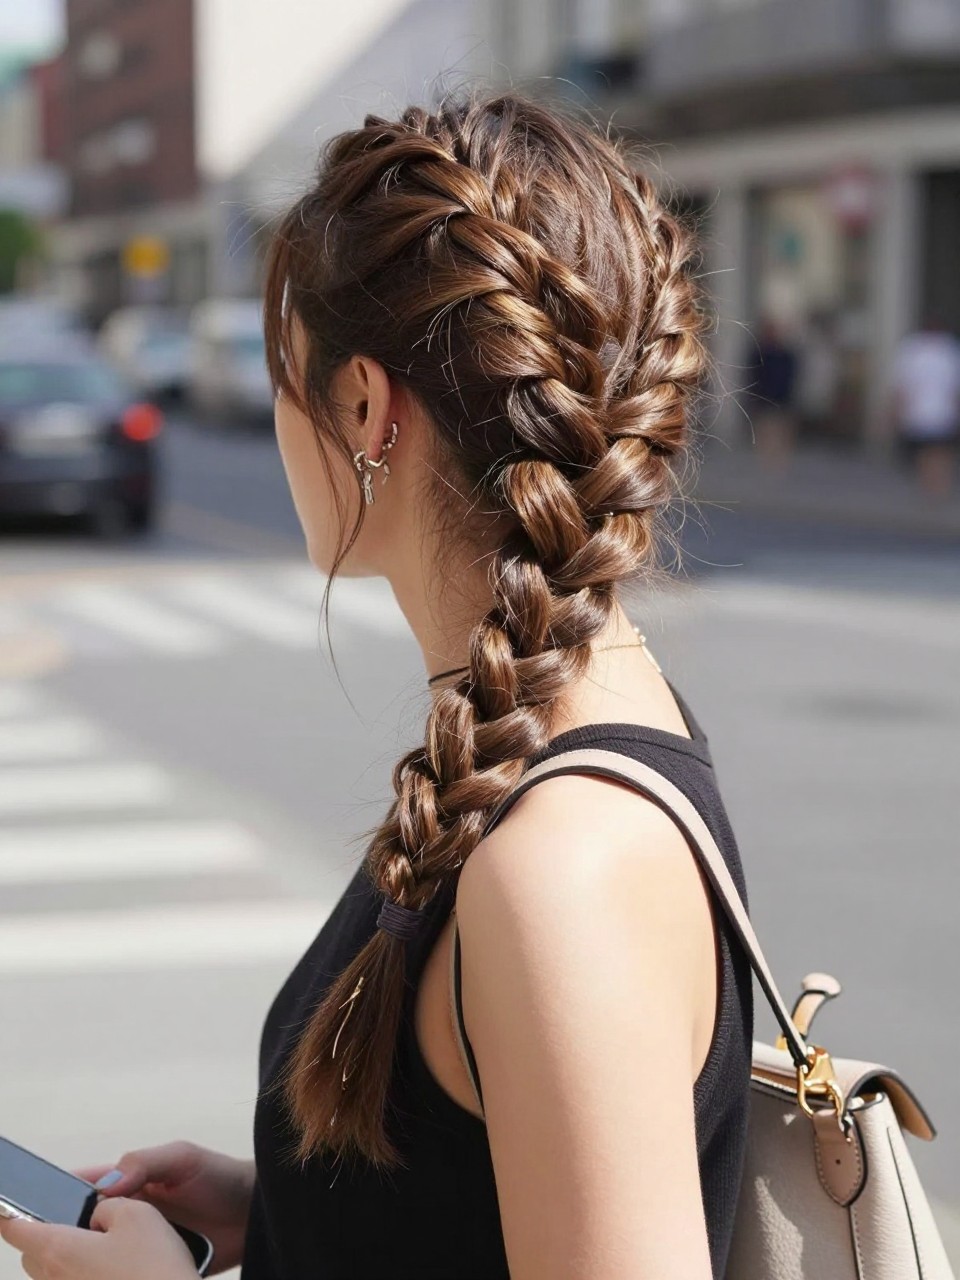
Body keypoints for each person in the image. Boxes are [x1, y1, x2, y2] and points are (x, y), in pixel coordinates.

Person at [0, 92, 753, 1280]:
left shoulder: (559, 871)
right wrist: (296, 1202)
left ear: (362, 403)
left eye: (286, 370)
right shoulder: (559, 731)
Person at [892, 315, 960, 498]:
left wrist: (897, 411)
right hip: (939, 412)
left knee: (927, 453)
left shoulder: (913, 349)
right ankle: (937, 487)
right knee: (938, 453)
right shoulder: (949, 349)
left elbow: (902, 385)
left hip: (921, 412)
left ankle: (930, 487)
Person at [745, 315, 799, 471]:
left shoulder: (786, 354)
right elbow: (752, 375)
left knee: (782, 431)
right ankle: (767, 461)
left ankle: (779, 461)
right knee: (766, 431)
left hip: (782, 398)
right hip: (764, 398)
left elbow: (792, 377)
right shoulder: (759, 353)